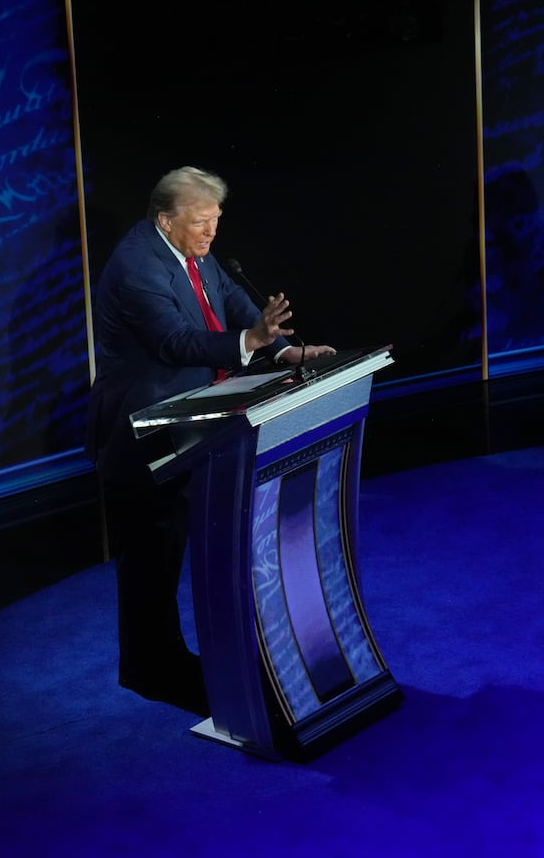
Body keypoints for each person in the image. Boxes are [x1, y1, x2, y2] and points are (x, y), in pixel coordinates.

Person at [86, 166, 334, 714]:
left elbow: (233, 302)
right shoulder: (135, 266)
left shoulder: (193, 252)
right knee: (153, 554)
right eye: (202, 223)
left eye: (216, 222)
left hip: (197, 422)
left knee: (183, 540)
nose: (211, 234)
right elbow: (176, 342)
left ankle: (176, 660)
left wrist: (283, 352)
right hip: (145, 432)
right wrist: (251, 339)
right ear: (165, 219)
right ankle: (150, 669)